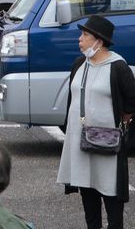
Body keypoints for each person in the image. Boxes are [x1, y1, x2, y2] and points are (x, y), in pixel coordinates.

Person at [57, 15, 135, 229]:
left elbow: (131, 99)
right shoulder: (79, 63)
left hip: (107, 143)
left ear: (98, 41)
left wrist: (125, 118)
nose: (79, 39)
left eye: (85, 35)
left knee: (111, 197)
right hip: (80, 142)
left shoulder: (118, 67)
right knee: (87, 192)